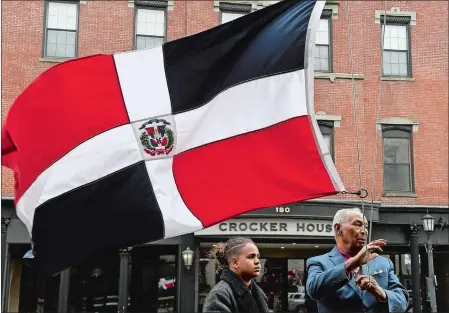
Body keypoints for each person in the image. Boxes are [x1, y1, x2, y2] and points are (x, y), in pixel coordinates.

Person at [306, 208, 409, 313]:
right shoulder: (318, 262)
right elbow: (313, 290)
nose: (364, 231)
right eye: (358, 224)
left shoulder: (383, 263)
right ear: (338, 229)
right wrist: (353, 264)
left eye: (366, 226)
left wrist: (380, 292)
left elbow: (402, 303)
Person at [202, 237, 270, 312]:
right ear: (235, 263)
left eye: (258, 256)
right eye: (251, 257)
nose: (257, 261)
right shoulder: (219, 295)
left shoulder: (259, 293)